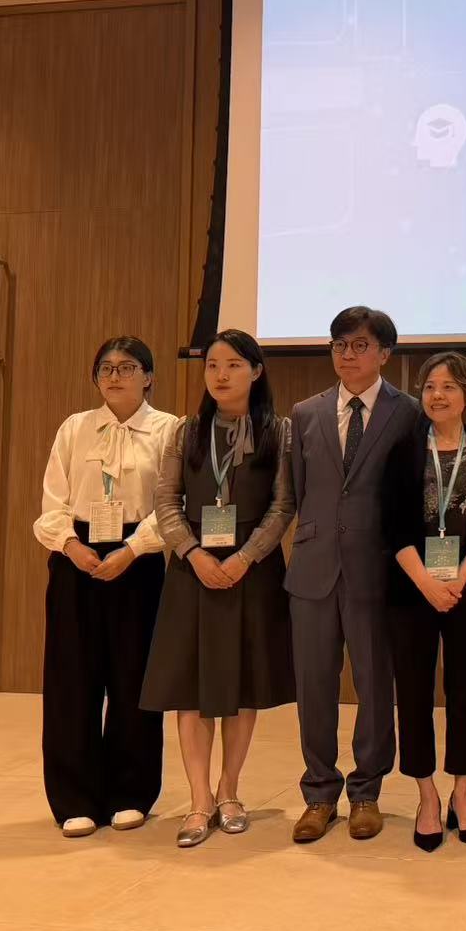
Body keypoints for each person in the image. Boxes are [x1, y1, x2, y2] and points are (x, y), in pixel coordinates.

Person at [141, 329, 297, 848]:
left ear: (256, 371)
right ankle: (199, 798)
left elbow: (283, 505)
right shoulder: (186, 431)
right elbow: (166, 501)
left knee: (242, 683)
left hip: (254, 571)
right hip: (193, 569)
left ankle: (230, 790)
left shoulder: (280, 431)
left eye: (233, 364)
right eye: (212, 365)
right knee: (191, 687)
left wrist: (246, 557)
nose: (221, 375)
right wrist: (194, 553)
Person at [35, 336, 180, 838]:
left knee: (133, 679)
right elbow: (52, 500)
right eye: (106, 368)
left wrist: (133, 551)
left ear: (149, 377)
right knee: (71, 678)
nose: (115, 376)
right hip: (76, 554)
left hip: (138, 559)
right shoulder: (75, 427)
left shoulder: (168, 429)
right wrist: (69, 546)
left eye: (128, 367)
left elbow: (172, 503)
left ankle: (131, 791)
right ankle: (74, 797)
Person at [286, 306, 420, 844]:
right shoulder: (305, 412)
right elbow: (297, 490)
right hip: (313, 569)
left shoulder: (408, 413)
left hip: (376, 569)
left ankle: (367, 791)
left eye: (360, 345)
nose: (348, 354)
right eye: (339, 344)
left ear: (385, 353)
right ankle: (319, 793)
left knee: (374, 684)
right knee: (314, 686)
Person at [380, 352, 466, 852]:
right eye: (430, 386)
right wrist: (427, 583)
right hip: (410, 592)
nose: (437, 395)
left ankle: (463, 793)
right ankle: (427, 796)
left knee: (464, 690)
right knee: (413, 692)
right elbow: (393, 525)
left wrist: (457, 578)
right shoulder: (403, 450)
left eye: (449, 386)